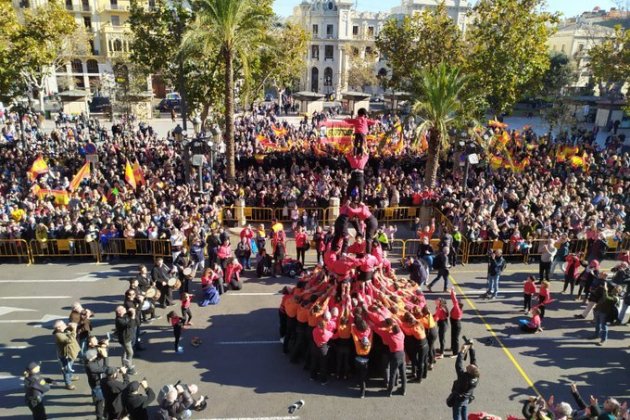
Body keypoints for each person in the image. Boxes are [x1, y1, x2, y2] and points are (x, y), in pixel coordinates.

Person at [447, 341, 479, 420]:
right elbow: (473, 360)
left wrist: (462, 351)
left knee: (457, 415)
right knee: (464, 411)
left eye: (468, 367)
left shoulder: (463, 377)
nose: (468, 365)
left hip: (459, 398)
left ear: (469, 372)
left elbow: (458, 364)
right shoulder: (476, 376)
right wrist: (471, 349)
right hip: (467, 397)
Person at [52, 320, 80, 390]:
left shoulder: (63, 330)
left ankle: (70, 377)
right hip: (65, 355)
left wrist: (72, 326)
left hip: (71, 353)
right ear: (58, 328)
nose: (65, 325)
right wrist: (74, 329)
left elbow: (72, 335)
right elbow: (70, 340)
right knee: (66, 369)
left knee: (70, 367)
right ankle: (68, 383)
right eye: (63, 324)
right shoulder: (58, 335)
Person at [84, 348, 107, 420]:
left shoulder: (90, 362)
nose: (96, 355)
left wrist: (102, 352)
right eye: (95, 355)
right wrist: (106, 357)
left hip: (95, 383)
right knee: (99, 402)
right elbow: (104, 369)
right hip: (97, 385)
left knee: (99, 398)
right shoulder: (90, 366)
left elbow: (98, 358)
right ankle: (99, 417)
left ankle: (95, 400)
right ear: (91, 358)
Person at [593, 282, 619, 346]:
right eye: (613, 289)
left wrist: (605, 289)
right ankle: (596, 335)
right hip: (598, 310)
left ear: (618, 291)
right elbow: (600, 297)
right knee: (597, 324)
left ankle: (603, 339)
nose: (613, 290)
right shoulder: (608, 293)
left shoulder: (615, 298)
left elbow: (606, 298)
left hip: (604, 313)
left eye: (615, 289)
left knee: (603, 326)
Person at [114, 306, 137, 374]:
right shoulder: (119, 320)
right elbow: (129, 325)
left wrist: (133, 311)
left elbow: (130, 314)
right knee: (130, 353)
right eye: (123, 309)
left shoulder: (124, 315)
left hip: (128, 337)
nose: (125, 309)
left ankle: (124, 365)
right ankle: (129, 367)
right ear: (119, 312)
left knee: (125, 352)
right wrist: (133, 316)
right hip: (125, 339)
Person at [449, 288, 463, 357]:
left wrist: (452, 292)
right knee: (453, 336)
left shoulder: (457, 309)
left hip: (456, 324)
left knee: (455, 338)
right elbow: (455, 301)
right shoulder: (458, 308)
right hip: (454, 323)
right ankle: (452, 347)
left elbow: (454, 301)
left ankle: (455, 353)